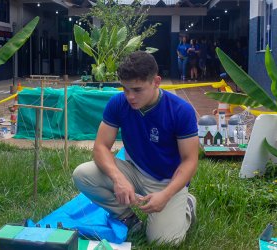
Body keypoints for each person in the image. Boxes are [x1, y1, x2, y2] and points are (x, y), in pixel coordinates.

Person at [73, 51, 199, 245]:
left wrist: (166, 195)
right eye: (125, 88)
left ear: (156, 82)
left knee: (164, 241)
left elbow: (190, 161)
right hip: (133, 171)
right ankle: (129, 218)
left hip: (167, 181)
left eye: (137, 90)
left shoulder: (181, 110)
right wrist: (119, 179)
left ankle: (187, 205)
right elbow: (100, 147)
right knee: (82, 174)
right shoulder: (118, 103)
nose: (130, 96)